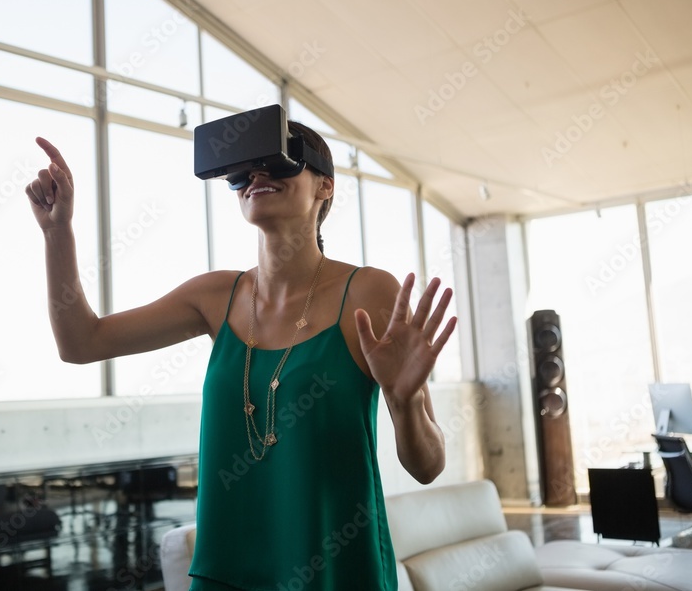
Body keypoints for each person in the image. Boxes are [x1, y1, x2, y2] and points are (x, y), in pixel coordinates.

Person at [26, 121, 457, 590]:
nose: (255, 176)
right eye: (241, 173)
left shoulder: (368, 292)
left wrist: (404, 401)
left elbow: (428, 466)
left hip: (335, 571)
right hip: (227, 572)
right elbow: (81, 343)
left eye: (277, 163)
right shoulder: (214, 296)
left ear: (325, 186)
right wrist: (57, 232)